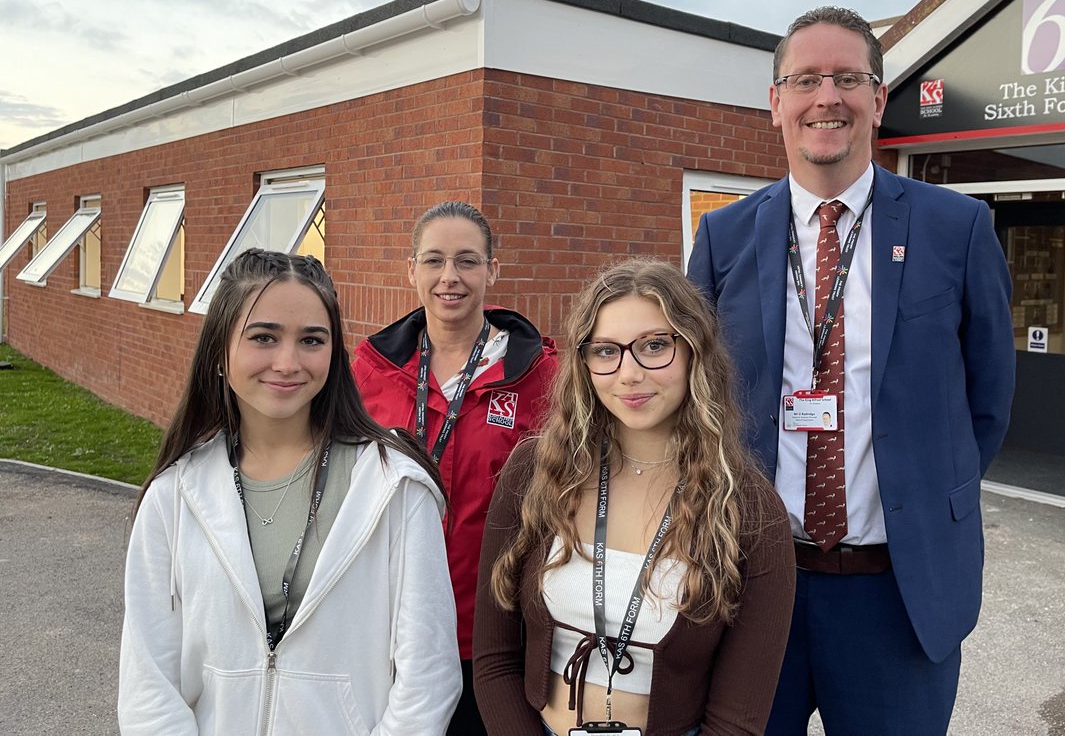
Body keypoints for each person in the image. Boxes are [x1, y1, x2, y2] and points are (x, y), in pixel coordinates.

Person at [688, 7, 1015, 735]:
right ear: (776, 102)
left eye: (847, 78)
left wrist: (925, 487)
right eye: (805, 79)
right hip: (753, 587)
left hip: (897, 595)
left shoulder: (955, 229)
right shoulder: (723, 236)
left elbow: (988, 400)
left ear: (879, 97)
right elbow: (696, 401)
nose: (826, 97)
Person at [119, 249, 459, 735]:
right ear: (220, 353)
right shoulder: (174, 496)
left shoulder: (394, 488)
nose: (288, 362)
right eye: (264, 337)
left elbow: (428, 677)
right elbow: (147, 682)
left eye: (311, 340)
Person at [474, 259, 795, 736]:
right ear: (583, 363)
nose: (629, 373)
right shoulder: (535, 472)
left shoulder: (748, 508)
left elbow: (737, 720)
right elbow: (494, 661)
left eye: (654, 346)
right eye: (606, 351)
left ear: (694, 352)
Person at [353, 200, 557, 735]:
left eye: (467, 261)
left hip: (492, 636)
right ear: (411, 269)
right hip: (388, 629)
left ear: (493, 269)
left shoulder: (541, 376)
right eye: (434, 260)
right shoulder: (368, 372)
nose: (450, 277)